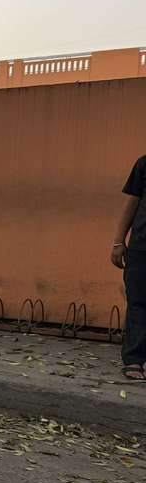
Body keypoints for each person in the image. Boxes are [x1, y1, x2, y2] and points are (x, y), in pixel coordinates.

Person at [112, 155, 146, 381]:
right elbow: (132, 202)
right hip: (142, 247)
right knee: (139, 302)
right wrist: (118, 241)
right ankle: (134, 358)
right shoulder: (144, 164)